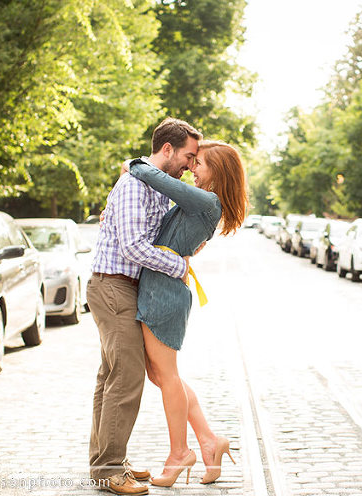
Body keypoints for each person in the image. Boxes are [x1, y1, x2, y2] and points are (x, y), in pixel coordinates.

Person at [86, 117, 201, 496]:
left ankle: (106, 462)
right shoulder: (137, 182)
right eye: (187, 156)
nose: (189, 164)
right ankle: (108, 468)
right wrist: (179, 266)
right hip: (113, 286)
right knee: (127, 377)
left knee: (110, 376)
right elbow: (134, 247)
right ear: (166, 149)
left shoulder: (155, 185)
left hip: (123, 287)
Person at [124, 140, 247, 487]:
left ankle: (180, 452)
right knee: (163, 377)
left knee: (167, 377)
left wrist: (134, 164)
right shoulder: (204, 202)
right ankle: (209, 441)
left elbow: (158, 180)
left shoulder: (208, 201)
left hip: (164, 295)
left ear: (217, 172)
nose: (193, 168)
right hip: (159, 289)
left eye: (200, 163)